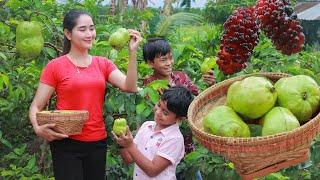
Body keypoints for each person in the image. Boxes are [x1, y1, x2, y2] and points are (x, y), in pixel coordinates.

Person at [28, 9, 142, 180]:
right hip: (65, 142)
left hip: (97, 141)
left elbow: (130, 86)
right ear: (68, 33)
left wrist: (132, 52)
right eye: (82, 29)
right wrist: (38, 129)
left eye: (92, 28)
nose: (89, 34)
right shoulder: (55, 66)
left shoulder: (102, 63)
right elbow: (36, 106)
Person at [113, 86, 194, 180]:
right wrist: (122, 143)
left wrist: (130, 145)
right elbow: (129, 159)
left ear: (180, 118)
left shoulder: (174, 138)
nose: (158, 112)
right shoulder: (146, 126)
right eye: (159, 105)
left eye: (165, 113)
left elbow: (152, 170)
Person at [142, 37, 216, 97]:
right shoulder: (149, 84)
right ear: (150, 63)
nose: (169, 63)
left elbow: (198, 98)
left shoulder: (181, 76)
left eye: (171, 58)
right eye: (163, 60)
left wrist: (211, 86)